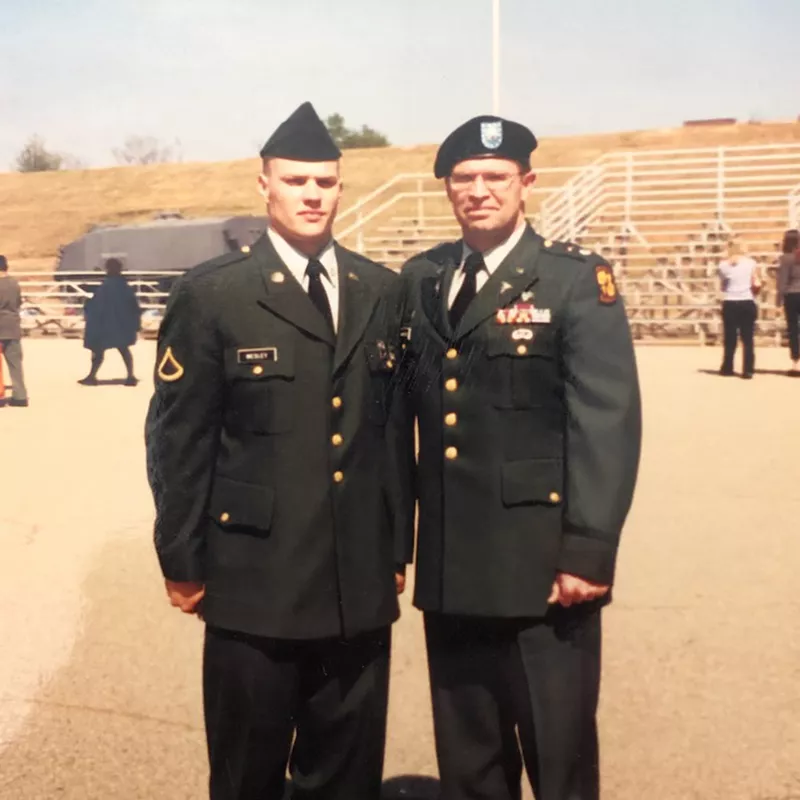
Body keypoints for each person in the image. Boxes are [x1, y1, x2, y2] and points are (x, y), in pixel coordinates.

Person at [145, 102, 411, 800]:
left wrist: (395, 550)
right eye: (296, 181)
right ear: (263, 185)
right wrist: (181, 556)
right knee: (247, 774)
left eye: (325, 182)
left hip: (356, 585)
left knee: (347, 775)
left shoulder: (378, 290)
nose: (312, 195)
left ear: (341, 189)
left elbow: (387, 434)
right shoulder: (214, 295)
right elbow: (180, 436)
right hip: (252, 582)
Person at [395, 115, 642, 800]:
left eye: (495, 177)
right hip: (452, 567)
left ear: (526, 183)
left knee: (557, 758)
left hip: (542, 571)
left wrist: (588, 550)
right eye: (464, 178)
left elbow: (605, 422)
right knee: (468, 759)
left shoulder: (572, 282)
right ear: (447, 188)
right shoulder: (421, 278)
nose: (479, 190)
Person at [79, 257, 142, 386]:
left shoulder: (109, 286)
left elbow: (98, 305)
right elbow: (133, 305)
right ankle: (130, 376)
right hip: (118, 323)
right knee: (123, 349)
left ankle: (92, 376)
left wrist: (89, 308)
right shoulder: (122, 286)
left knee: (101, 350)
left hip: (106, 324)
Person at [718, 238, 761, 378]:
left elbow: (723, 285)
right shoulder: (751, 263)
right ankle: (748, 369)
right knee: (748, 338)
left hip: (730, 301)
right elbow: (755, 281)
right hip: (747, 300)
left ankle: (727, 367)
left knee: (730, 337)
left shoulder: (723, 265)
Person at [0, 255, 29, 407]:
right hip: (12, 326)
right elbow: (18, 303)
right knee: (15, 364)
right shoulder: (14, 284)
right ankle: (20, 395)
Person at [776, 228, 800, 374]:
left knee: (793, 329)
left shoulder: (785, 258)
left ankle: (796, 362)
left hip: (791, 295)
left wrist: (778, 301)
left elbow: (782, 282)